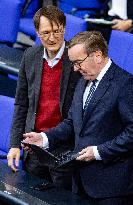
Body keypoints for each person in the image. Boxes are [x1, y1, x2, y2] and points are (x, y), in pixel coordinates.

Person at [22, 31, 133, 205]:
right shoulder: (83, 81)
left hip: (111, 189)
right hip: (80, 181)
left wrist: (98, 152)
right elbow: (72, 123)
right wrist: (44, 138)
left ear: (97, 55)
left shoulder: (125, 84)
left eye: (78, 62)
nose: (75, 69)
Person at [7, 5, 81, 189]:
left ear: (64, 28)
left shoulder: (77, 58)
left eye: (57, 31)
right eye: (46, 32)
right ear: (37, 33)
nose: (52, 38)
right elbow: (21, 104)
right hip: (34, 148)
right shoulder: (30, 56)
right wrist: (15, 144)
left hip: (65, 149)